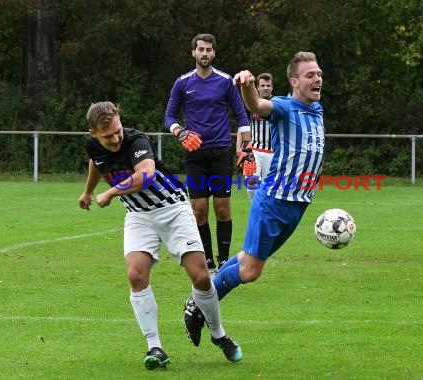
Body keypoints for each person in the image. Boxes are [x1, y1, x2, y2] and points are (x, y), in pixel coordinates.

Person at [78, 101, 242, 369]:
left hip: (173, 209)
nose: (116, 138)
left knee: (201, 276)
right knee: (135, 274)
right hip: (139, 216)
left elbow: (146, 175)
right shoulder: (94, 146)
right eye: (107, 136)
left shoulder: (136, 141)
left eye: (117, 130)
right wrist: (87, 191)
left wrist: (109, 192)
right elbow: (96, 163)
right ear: (93, 133)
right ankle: (155, 347)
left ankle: (218, 334)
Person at [183, 52, 325, 346]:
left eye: (319, 74)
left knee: (246, 259)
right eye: (310, 75)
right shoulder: (285, 107)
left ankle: (201, 298)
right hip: (274, 201)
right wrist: (246, 84)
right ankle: (198, 305)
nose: (317, 79)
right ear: (294, 81)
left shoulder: (317, 110)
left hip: (297, 206)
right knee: (250, 271)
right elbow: (257, 105)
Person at [164, 33, 254, 276]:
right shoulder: (182, 83)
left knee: (223, 208)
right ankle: (209, 265)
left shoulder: (225, 81)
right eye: (200, 49)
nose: (205, 54)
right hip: (195, 155)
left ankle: (224, 262)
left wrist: (246, 147)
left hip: (220, 153)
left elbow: (241, 114)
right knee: (199, 210)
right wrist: (180, 132)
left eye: (209, 50)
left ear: (214, 53)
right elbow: (169, 116)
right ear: (193, 52)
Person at [235, 72, 275, 201]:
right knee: (251, 184)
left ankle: (263, 212)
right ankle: (256, 207)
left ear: (272, 87)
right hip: (254, 150)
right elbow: (243, 125)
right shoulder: (251, 104)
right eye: (262, 85)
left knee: (269, 188)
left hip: (273, 152)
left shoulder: (277, 104)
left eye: (268, 85)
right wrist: (239, 146)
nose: (265, 88)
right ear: (257, 87)